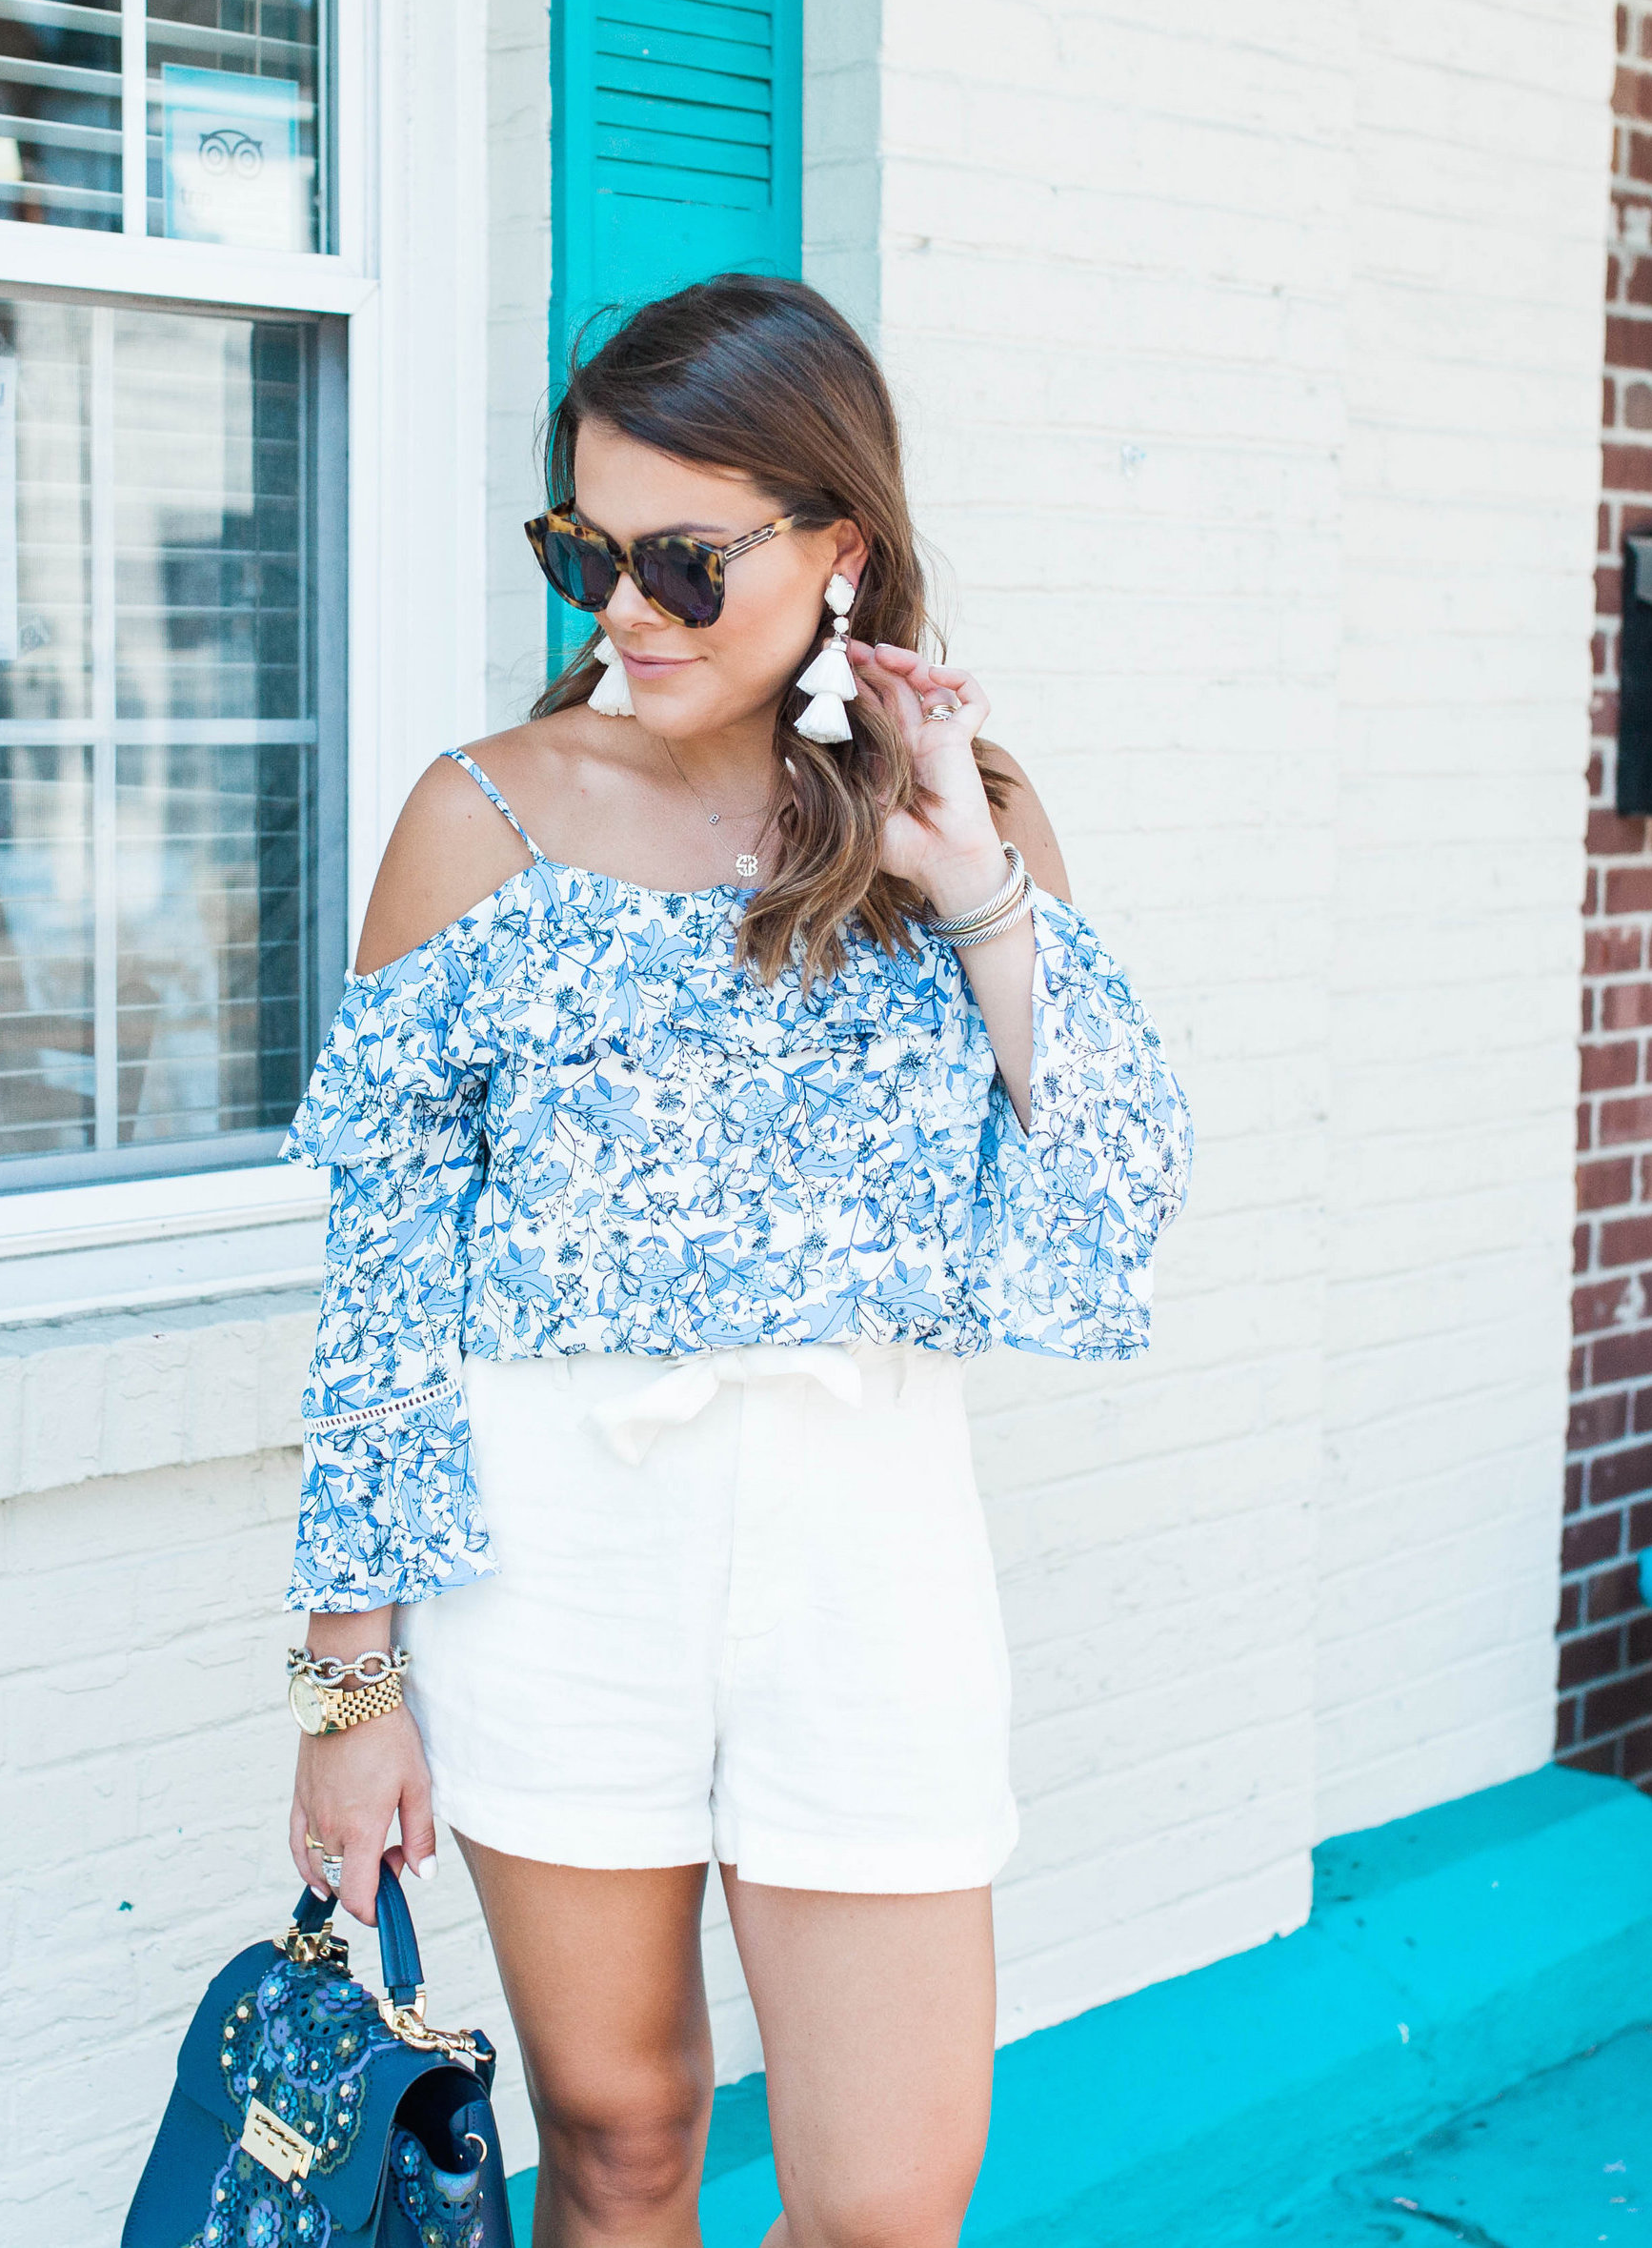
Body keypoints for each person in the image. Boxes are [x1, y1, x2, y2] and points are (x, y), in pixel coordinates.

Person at [281, 273, 1193, 2248]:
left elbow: (1106, 1203)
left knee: (886, 2198)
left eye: (679, 560)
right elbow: (379, 1287)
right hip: (553, 1560)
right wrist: (348, 1685)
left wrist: (964, 870)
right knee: (616, 2148)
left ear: (835, 545)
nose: (619, 610)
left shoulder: (965, 826)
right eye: (583, 553)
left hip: (864, 1555)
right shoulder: (484, 819)